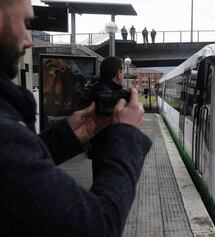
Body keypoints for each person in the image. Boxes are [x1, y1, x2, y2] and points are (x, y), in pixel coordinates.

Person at [0, 1, 152, 236]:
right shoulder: (6, 133)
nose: (29, 40)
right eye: (24, 23)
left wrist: (67, 136)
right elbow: (100, 225)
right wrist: (127, 136)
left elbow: (17, 171)